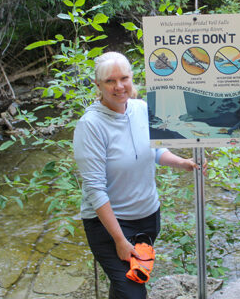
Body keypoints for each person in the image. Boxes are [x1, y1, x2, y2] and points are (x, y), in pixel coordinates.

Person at [74, 51, 201, 298]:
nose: (119, 86)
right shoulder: (90, 125)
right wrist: (120, 240)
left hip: (147, 218)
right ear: (98, 85)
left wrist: (183, 163)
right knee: (133, 293)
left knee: (126, 286)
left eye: (124, 78)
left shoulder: (142, 108)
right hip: (110, 226)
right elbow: (94, 189)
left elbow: (155, 151)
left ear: (132, 78)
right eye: (110, 81)